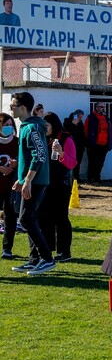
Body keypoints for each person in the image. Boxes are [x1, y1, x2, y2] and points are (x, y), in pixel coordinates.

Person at [9, 92, 55, 275]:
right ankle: (34, 259)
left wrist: (27, 180)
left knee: (26, 219)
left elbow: (40, 155)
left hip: (36, 181)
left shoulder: (32, 128)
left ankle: (47, 258)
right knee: (29, 219)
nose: (10, 108)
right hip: (30, 181)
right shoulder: (26, 126)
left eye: (13, 105)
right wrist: (22, 181)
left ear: (22, 107)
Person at [38, 112, 77, 262]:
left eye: (46, 125)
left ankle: (64, 251)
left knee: (61, 217)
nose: (44, 128)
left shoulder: (66, 139)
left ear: (54, 125)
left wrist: (61, 153)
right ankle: (47, 248)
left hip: (62, 184)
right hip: (45, 183)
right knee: (44, 216)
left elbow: (72, 163)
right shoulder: (43, 139)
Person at [0, 113, 18, 260]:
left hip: (11, 187)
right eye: (5, 125)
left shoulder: (17, 142)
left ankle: (7, 248)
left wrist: (17, 162)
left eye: (11, 125)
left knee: (10, 218)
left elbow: (25, 158)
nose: (9, 128)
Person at [84, 102, 112, 183]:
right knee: (92, 162)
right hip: (94, 144)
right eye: (101, 107)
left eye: (104, 107)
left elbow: (110, 130)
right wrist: (89, 142)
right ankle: (90, 178)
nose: (103, 108)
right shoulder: (91, 117)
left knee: (100, 163)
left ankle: (97, 178)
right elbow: (86, 130)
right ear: (96, 107)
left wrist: (111, 141)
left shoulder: (106, 118)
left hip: (104, 145)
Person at [63, 109, 86, 181]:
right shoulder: (67, 122)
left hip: (80, 145)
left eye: (81, 117)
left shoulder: (80, 123)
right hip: (71, 145)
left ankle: (76, 177)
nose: (80, 119)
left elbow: (82, 133)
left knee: (78, 162)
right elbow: (67, 131)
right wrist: (73, 124)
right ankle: (68, 178)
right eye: (79, 117)